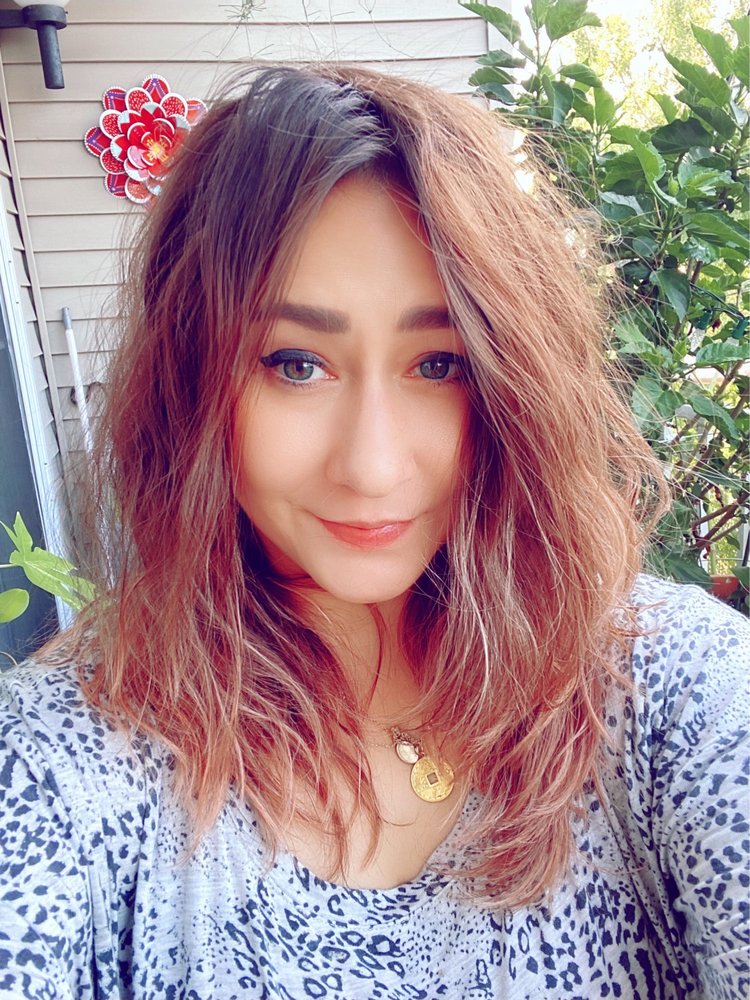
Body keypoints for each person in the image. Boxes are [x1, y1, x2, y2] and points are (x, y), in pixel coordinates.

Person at [0, 64, 747, 1000]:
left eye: (438, 364)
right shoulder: (59, 766)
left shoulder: (673, 689)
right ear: (189, 382)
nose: (372, 466)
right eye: (294, 363)